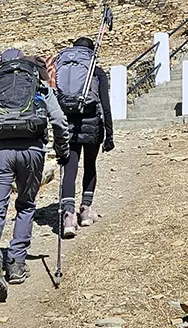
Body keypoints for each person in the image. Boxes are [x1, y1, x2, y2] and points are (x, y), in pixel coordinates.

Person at [0, 48, 70, 301]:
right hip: (32, 150)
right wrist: (62, 149)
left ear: (0, 64)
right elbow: (59, 120)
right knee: (25, 205)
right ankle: (16, 263)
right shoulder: (38, 82)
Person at [53, 37, 115, 238]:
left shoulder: (63, 69)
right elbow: (105, 105)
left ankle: (69, 217)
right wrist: (109, 134)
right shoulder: (96, 72)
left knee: (70, 168)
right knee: (90, 165)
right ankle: (86, 211)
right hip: (92, 125)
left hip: (68, 124)